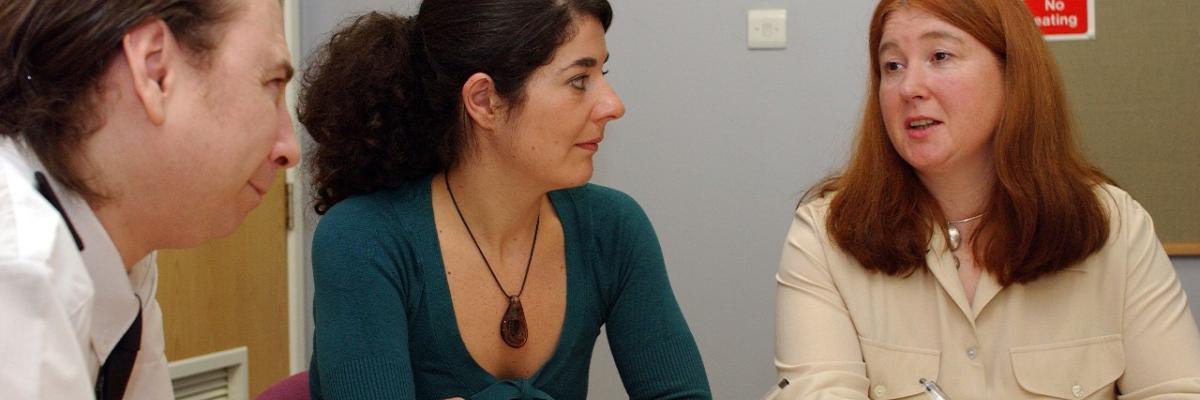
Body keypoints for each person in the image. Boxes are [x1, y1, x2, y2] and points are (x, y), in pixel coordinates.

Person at [772, 0, 1200, 398]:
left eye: (939, 56)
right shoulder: (826, 236)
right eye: (892, 65)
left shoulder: (1115, 226)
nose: (909, 87)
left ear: (1013, 74)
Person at [300, 1, 711, 398]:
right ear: (484, 101)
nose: (613, 105)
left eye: (602, 73)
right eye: (579, 81)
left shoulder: (612, 228)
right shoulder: (363, 239)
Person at [0, 0, 299, 398]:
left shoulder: (126, 260)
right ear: (154, 68)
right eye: (273, 84)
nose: (289, 149)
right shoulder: (19, 268)